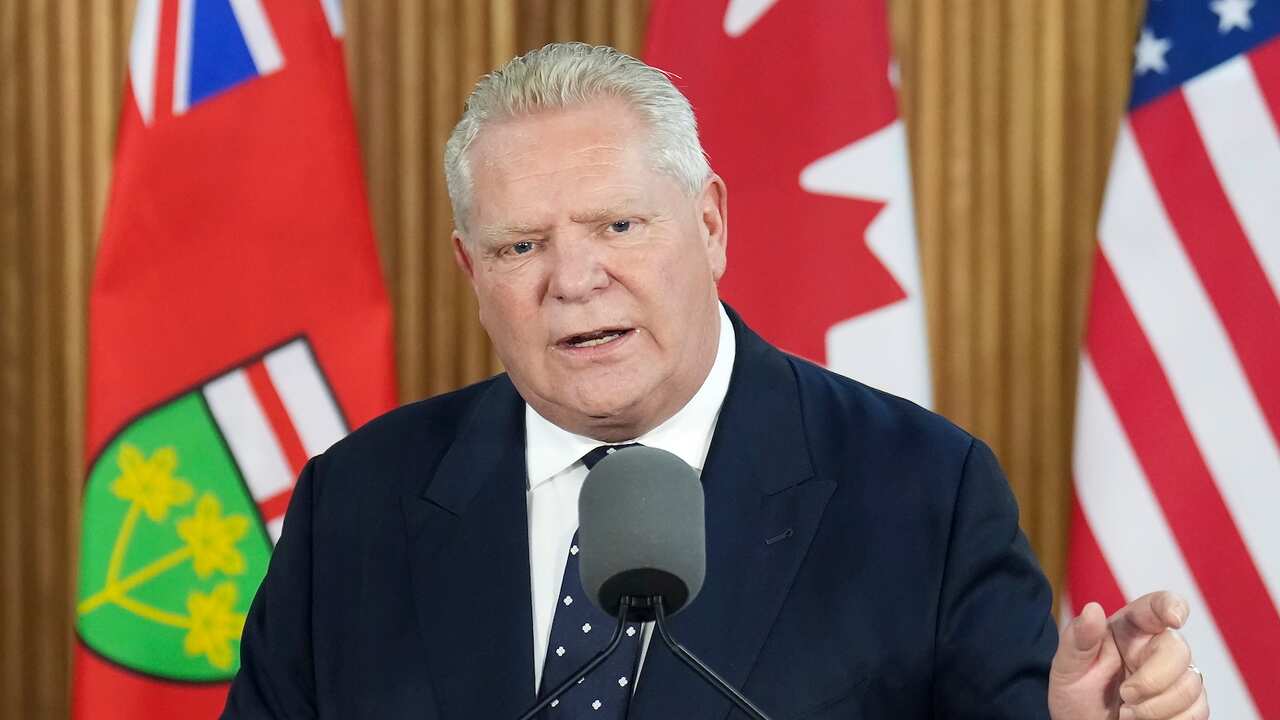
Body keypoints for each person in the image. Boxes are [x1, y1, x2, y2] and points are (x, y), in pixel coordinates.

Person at [224, 43, 1209, 719]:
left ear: (709, 225)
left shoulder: (923, 492)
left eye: (618, 226)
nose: (574, 279)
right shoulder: (355, 503)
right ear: (469, 270)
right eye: (520, 245)